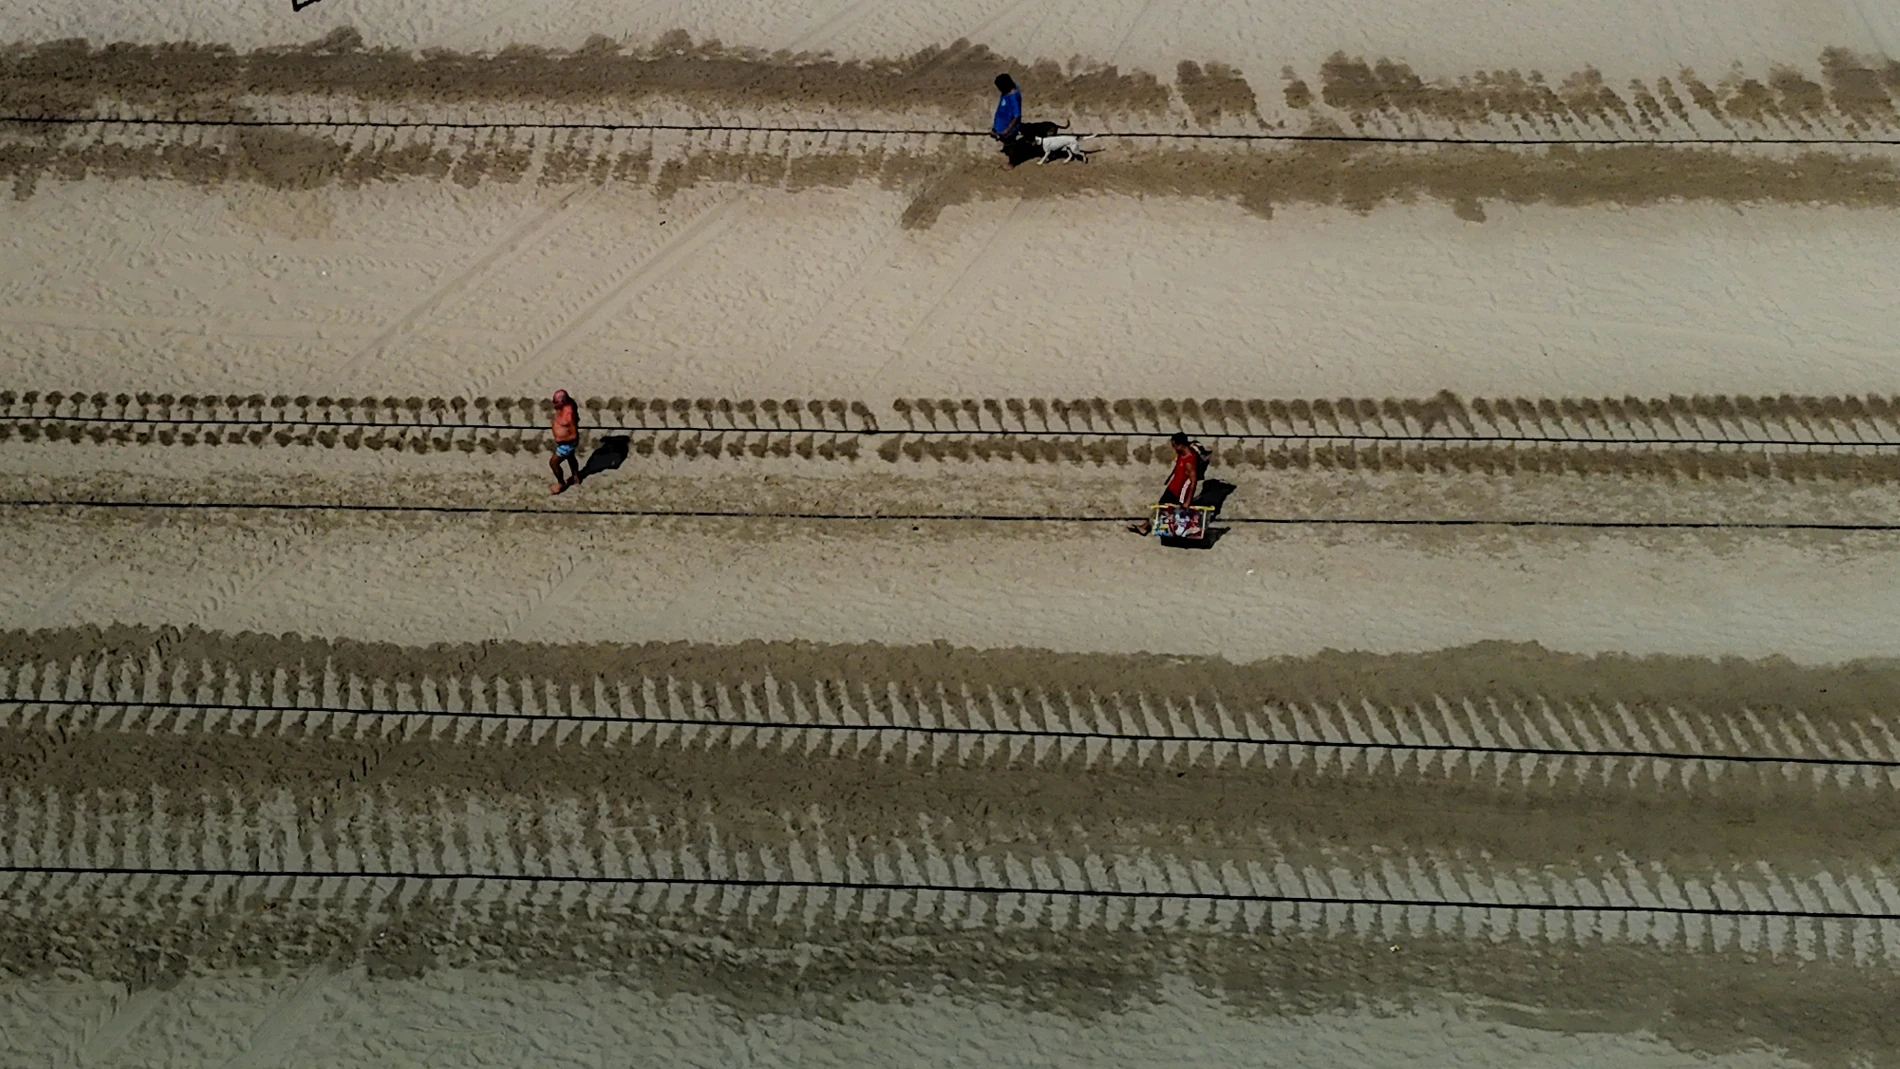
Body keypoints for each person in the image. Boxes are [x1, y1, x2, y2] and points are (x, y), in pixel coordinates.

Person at [1130, 433, 1210, 535]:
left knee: (1167, 510)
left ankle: (1151, 527)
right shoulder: (1183, 451)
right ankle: (1145, 526)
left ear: (1180, 445)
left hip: (1179, 491)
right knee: (1160, 507)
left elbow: (1193, 482)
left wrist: (1187, 501)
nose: (1174, 448)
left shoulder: (1189, 461)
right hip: (1173, 487)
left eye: (1174, 445)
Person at [549, 389, 582, 494]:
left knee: (554, 463)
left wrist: (560, 439)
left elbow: (574, 435)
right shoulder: (566, 405)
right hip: (565, 443)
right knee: (570, 457)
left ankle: (561, 483)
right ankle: (576, 477)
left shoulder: (569, 415)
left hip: (566, 444)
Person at [991, 73, 1023, 145]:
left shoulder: (1013, 98)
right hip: (1000, 125)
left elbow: (1016, 116)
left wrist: (1007, 130)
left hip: (1007, 128)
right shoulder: (1006, 92)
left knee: (1010, 144)